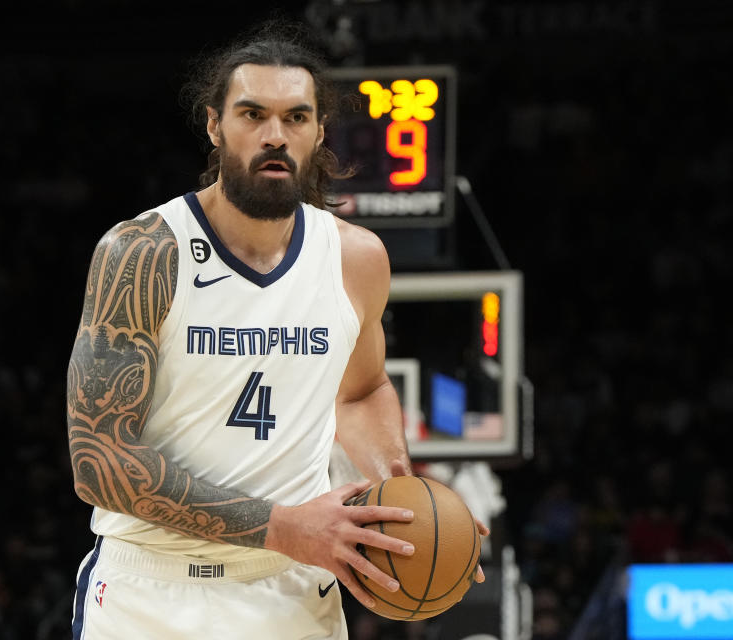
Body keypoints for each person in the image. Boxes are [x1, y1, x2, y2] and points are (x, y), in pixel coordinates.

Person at [65, 19, 486, 639]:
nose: (274, 136)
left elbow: (361, 391)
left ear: (318, 132)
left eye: (295, 118)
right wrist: (282, 525)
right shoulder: (145, 253)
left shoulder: (355, 258)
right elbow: (99, 461)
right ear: (215, 125)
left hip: (294, 589)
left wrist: (403, 501)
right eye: (252, 114)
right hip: (149, 594)